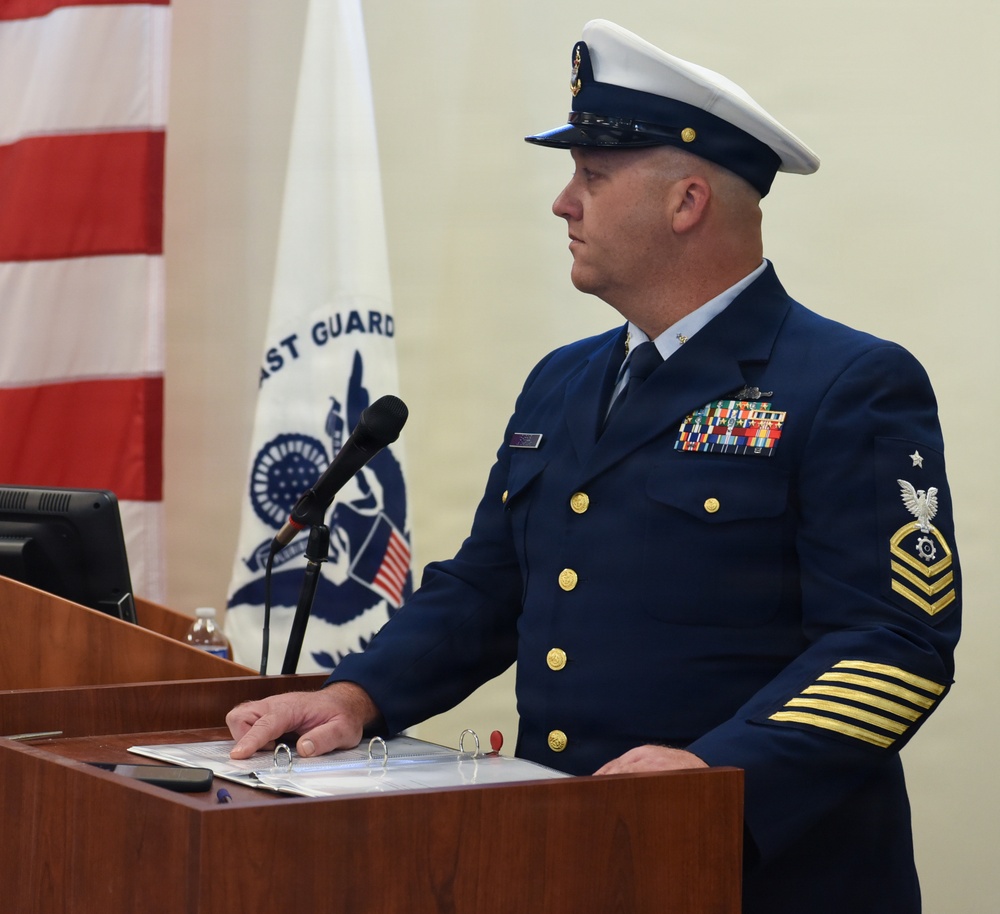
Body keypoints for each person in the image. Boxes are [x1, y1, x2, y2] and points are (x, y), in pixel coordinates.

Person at [227, 20, 960, 913]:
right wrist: (356, 695)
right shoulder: (564, 380)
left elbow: (893, 648)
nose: (563, 202)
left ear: (686, 202)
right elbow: (487, 588)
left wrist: (714, 774)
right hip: (574, 852)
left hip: (758, 872)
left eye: (593, 176)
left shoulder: (846, 383)